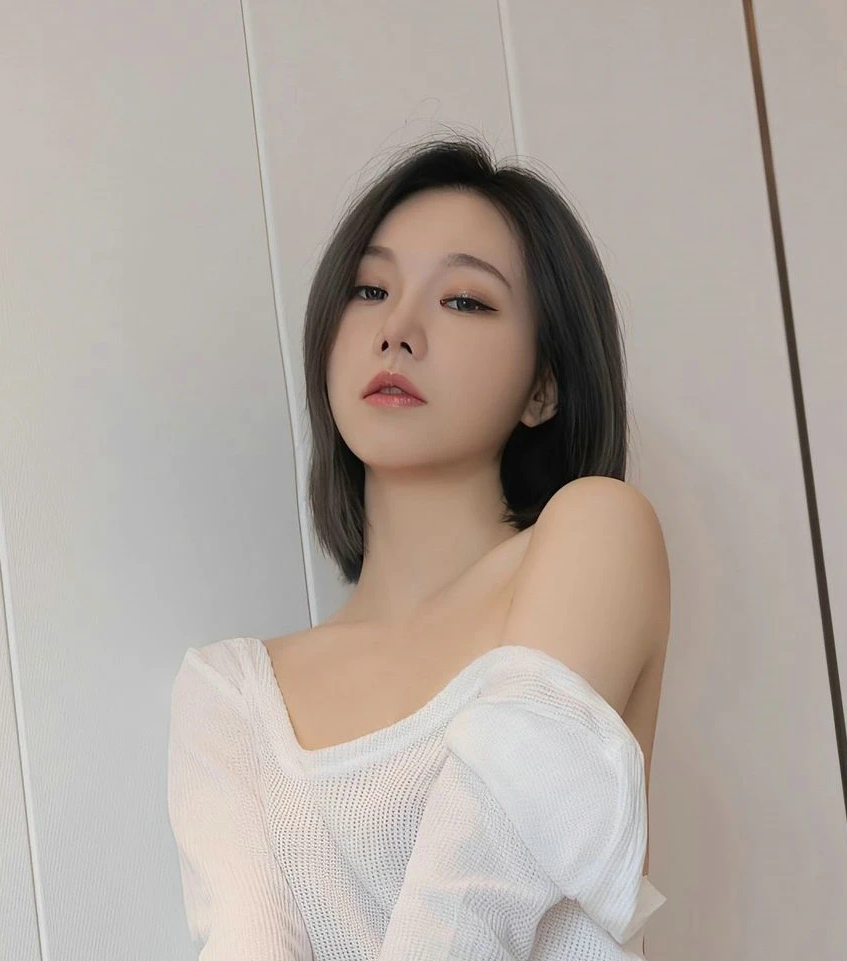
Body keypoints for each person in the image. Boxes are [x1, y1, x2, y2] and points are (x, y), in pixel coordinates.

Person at [167, 134, 671, 959]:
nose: (396, 330)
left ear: (543, 385)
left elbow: (470, 902)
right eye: (369, 290)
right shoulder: (228, 693)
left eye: (464, 300)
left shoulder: (596, 533)